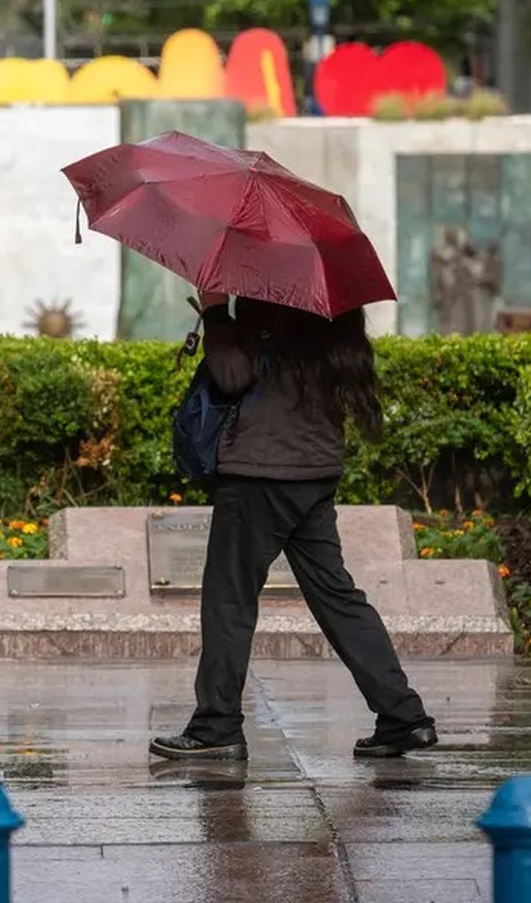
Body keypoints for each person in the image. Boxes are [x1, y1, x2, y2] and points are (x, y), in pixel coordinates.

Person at [151, 292, 437, 762]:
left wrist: (218, 313)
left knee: (229, 598)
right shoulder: (332, 310)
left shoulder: (271, 304)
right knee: (338, 597)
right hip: (314, 470)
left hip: (262, 473)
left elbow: (231, 376)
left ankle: (216, 726)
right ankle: (404, 717)